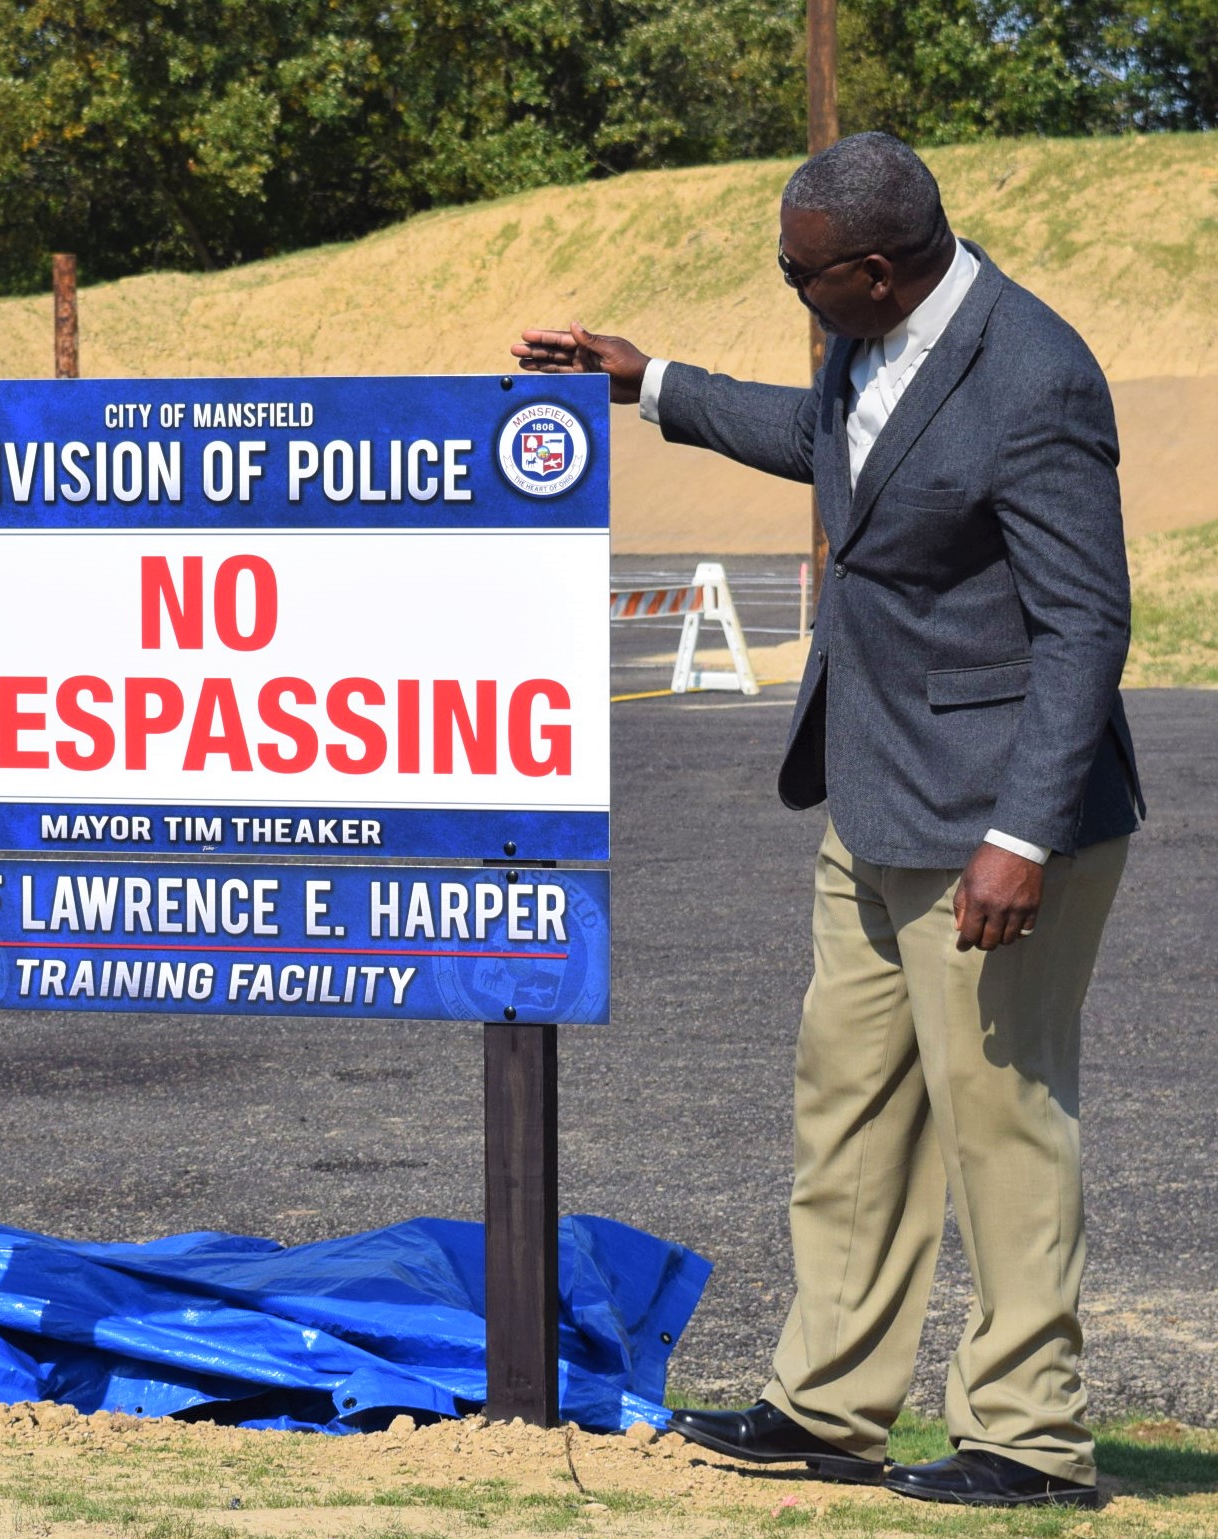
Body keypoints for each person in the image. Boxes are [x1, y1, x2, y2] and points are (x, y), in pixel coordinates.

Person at [514, 132, 1142, 1508]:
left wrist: (1022, 837)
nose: (787, 288)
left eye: (797, 274)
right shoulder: (877, 338)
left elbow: (1087, 622)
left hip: (996, 824)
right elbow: (830, 446)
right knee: (849, 1109)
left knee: (1003, 1124)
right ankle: (829, 1408)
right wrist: (651, 381)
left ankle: (1027, 1439)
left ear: (873, 267)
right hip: (876, 794)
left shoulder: (1032, 376)